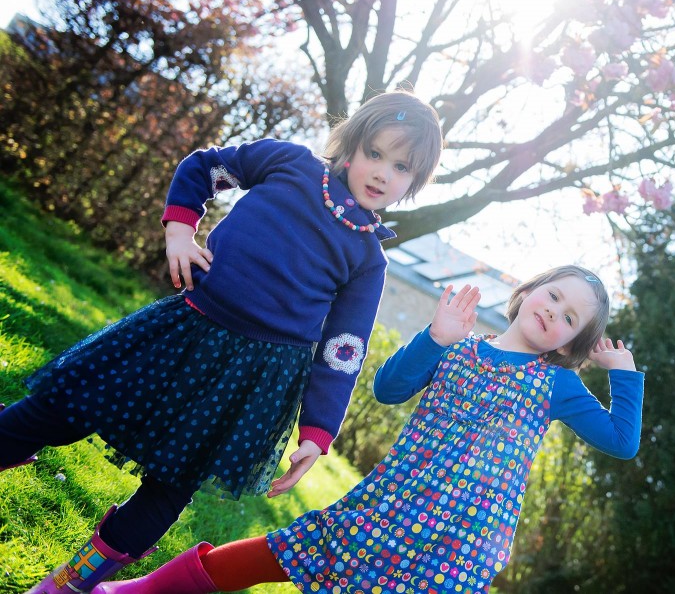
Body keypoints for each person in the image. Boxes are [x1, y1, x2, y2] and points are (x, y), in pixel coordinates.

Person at [0, 90, 445, 594]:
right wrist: (179, 232)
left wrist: (317, 434)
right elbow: (205, 168)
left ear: (414, 182)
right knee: (67, 404)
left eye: (402, 167)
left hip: (250, 382)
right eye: (376, 153)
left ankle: (66, 585)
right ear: (351, 146)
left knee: (169, 489)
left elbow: (342, 352)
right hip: (185, 330)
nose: (383, 172)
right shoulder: (291, 164)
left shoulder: (368, 260)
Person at [91, 266, 645, 594]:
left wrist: (624, 377)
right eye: (554, 296)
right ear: (529, 291)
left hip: (462, 543)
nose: (555, 312)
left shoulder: (558, 387)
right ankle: (134, 590)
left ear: (570, 346)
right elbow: (388, 388)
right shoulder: (456, 345)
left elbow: (622, 441)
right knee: (282, 553)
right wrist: (435, 335)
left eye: (571, 318)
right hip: (386, 506)